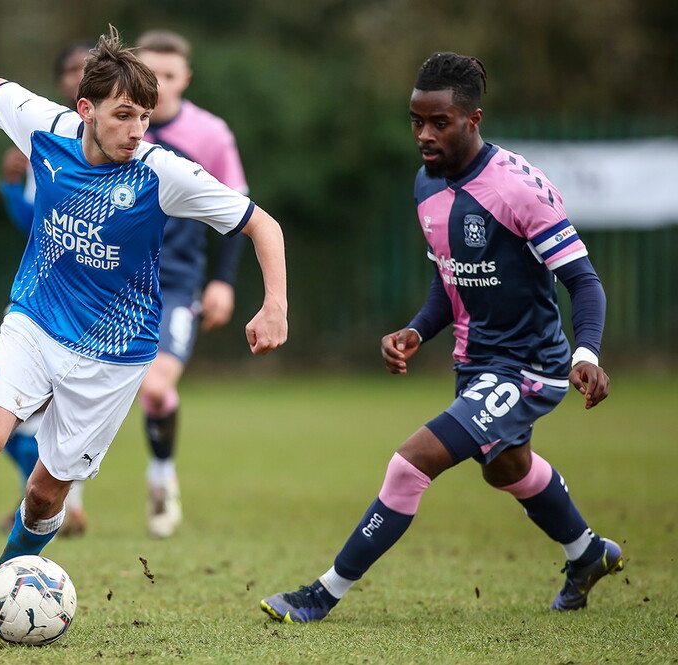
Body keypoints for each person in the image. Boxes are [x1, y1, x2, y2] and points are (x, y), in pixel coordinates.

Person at [0, 26, 288, 638]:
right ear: (85, 110)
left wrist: (274, 305)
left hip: (113, 355)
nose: (138, 130)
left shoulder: (162, 172)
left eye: (145, 116)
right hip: (34, 320)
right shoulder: (49, 127)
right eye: (123, 115)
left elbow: (262, 225)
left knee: (43, 495)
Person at [260, 52, 621, 623]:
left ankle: (321, 594)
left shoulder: (518, 189)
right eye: (416, 122)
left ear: (473, 119)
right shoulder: (426, 183)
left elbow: (583, 281)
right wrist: (415, 330)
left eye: (439, 123)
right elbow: (448, 280)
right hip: (475, 362)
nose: (424, 135)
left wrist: (586, 352)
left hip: (529, 367)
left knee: (411, 464)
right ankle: (589, 552)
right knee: (505, 467)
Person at [1, 30, 252, 539]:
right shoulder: (80, 134)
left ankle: (161, 479)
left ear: (184, 80)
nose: (153, 94)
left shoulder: (207, 135)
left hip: (175, 283)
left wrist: (223, 282)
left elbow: (241, 212)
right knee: (39, 396)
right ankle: (63, 499)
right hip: (93, 286)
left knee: (156, 391)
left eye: (169, 77)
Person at [0, 40, 95, 536]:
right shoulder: (47, 135)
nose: (81, 75)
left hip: (91, 305)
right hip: (46, 292)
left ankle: (56, 506)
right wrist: (11, 188)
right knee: (18, 418)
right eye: (74, 70)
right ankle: (55, 505)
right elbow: (34, 224)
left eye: (90, 68)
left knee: (39, 416)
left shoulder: (128, 140)